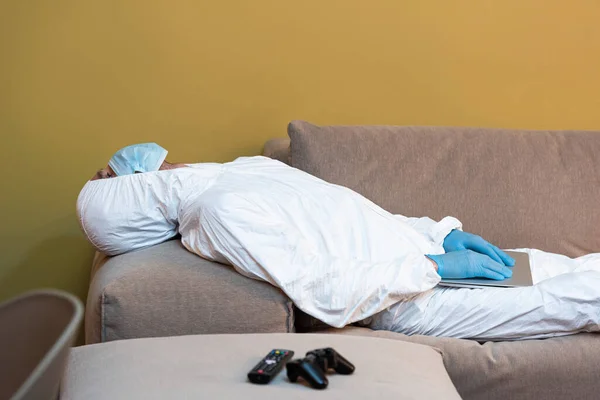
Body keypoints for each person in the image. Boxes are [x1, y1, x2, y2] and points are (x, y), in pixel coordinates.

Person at [78, 143, 600, 341]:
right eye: (112, 173)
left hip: (427, 261)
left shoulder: (243, 172)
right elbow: (324, 291)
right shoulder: (217, 213)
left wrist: (438, 233)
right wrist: (434, 266)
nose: (164, 158)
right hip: (410, 298)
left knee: (583, 267)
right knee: (586, 295)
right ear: (136, 190)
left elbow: (356, 216)